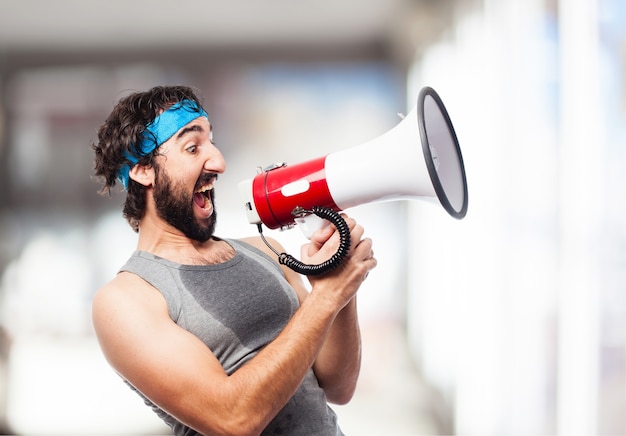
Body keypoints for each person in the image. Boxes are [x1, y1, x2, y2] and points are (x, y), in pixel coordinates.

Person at [91, 85, 377, 435]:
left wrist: (341, 282)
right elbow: (233, 420)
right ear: (144, 171)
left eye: (212, 142)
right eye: (193, 147)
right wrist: (327, 296)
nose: (219, 162)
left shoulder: (265, 251)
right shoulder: (126, 301)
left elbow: (338, 386)